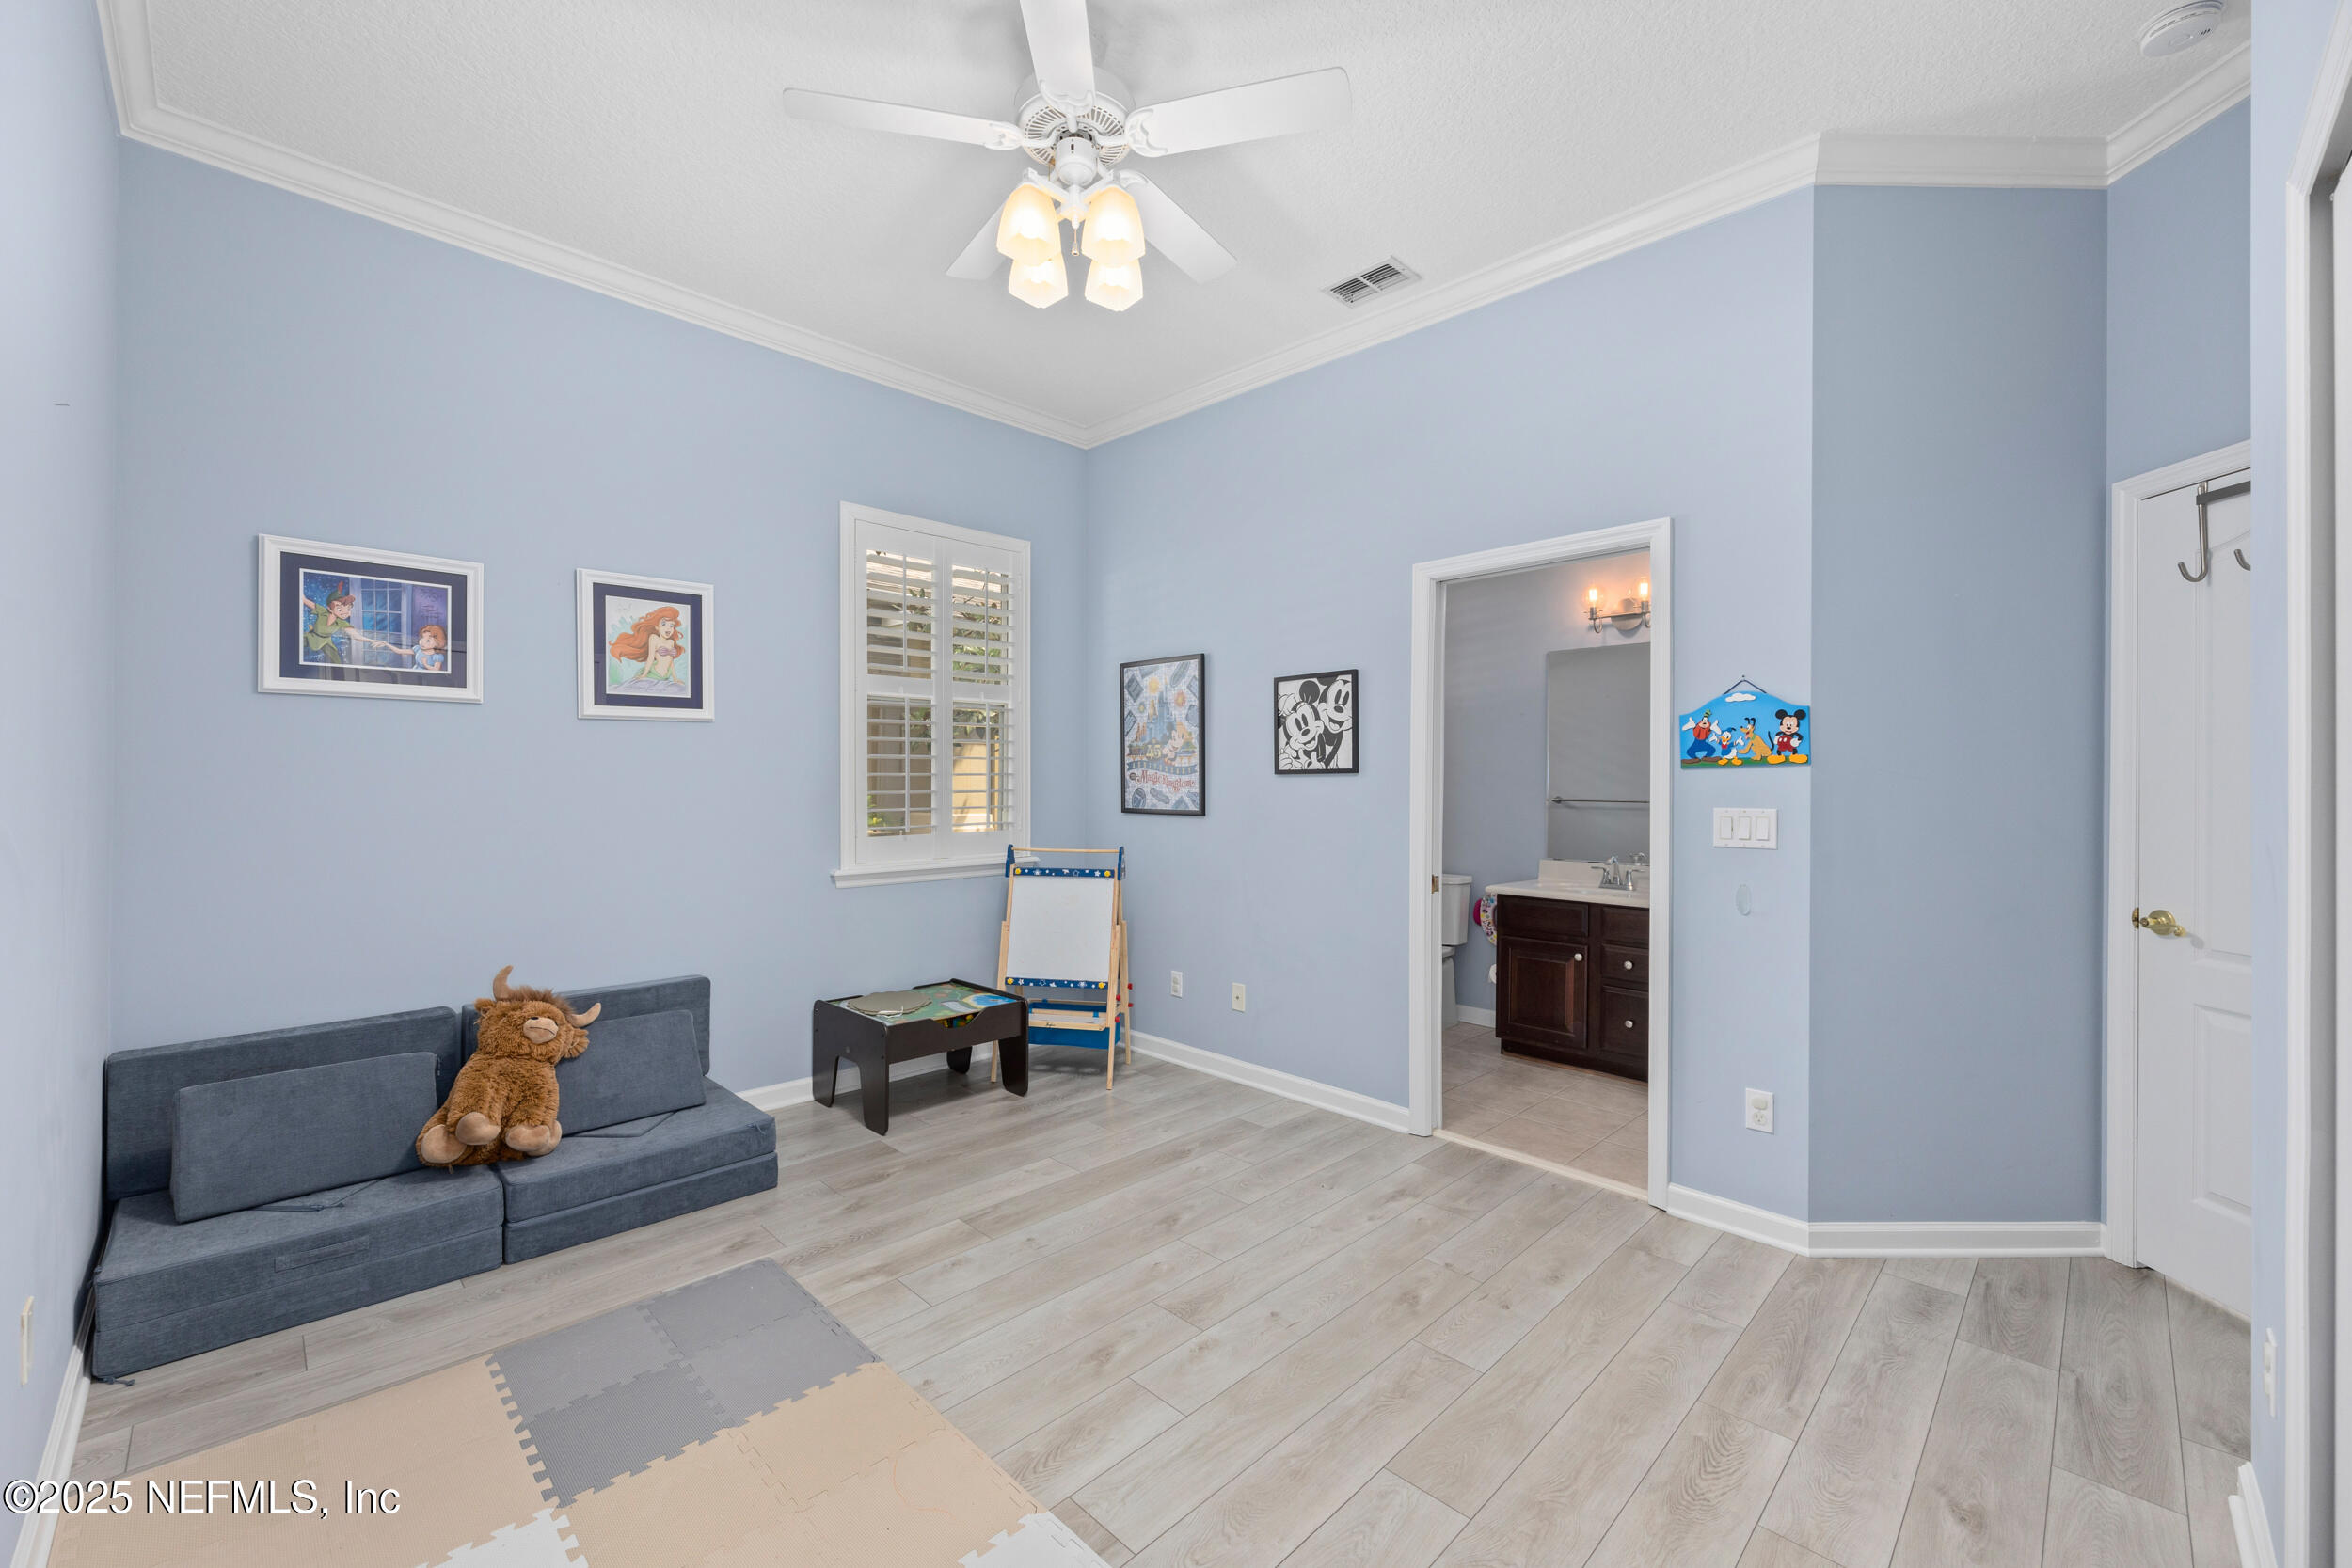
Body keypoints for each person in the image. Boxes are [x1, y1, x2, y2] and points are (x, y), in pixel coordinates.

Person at [610, 606, 686, 687]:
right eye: (664, 624)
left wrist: (675, 678)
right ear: (657, 627)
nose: (668, 628)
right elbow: (651, 657)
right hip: (655, 672)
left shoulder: (670, 642)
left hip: (667, 674)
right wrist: (644, 675)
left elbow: (671, 661)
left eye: (671, 625)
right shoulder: (654, 638)